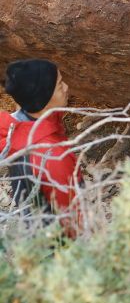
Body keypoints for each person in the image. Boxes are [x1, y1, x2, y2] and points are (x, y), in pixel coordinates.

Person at [0, 59, 80, 236]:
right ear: (43, 98)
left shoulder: (18, 130)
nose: (66, 87)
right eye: (60, 85)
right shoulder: (51, 154)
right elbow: (72, 215)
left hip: (35, 230)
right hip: (58, 244)